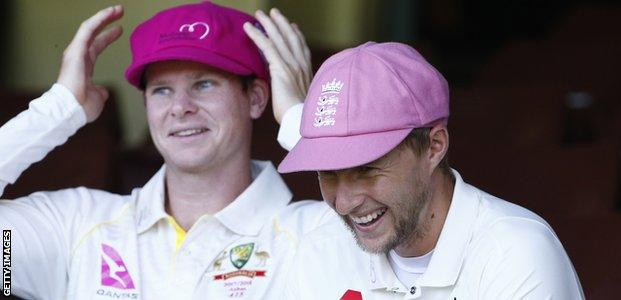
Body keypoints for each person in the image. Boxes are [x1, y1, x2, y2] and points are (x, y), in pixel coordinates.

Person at [0, 2, 329, 299]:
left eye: (204, 84)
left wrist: (299, 123)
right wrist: (59, 109)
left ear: (255, 98)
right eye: (162, 90)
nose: (180, 107)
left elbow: (379, 228)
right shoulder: (77, 226)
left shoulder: (315, 235)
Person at [275, 42, 585, 299]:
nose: (343, 203)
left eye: (367, 169)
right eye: (327, 172)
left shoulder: (516, 254)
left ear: (433, 147)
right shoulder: (319, 251)